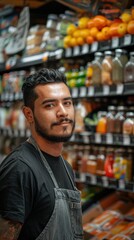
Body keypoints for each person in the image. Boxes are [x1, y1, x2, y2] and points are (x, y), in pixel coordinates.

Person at [0, 68, 83, 240]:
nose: (63, 112)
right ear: (29, 114)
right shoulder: (19, 169)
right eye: (50, 105)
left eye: (67, 103)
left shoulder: (65, 166)